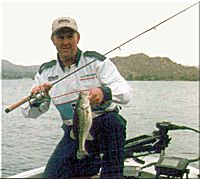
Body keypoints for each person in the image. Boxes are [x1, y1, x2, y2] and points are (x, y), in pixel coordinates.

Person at [21, 17, 132, 179]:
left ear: (77, 38)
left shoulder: (96, 61)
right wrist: (37, 99)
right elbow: (29, 113)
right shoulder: (46, 72)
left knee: (114, 124)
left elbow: (126, 92)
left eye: (70, 36)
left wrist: (104, 92)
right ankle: (88, 163)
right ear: (53, 41)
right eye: (60, 37)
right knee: (51, 176)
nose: (66, 42)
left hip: (107, 127)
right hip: (75, 131)